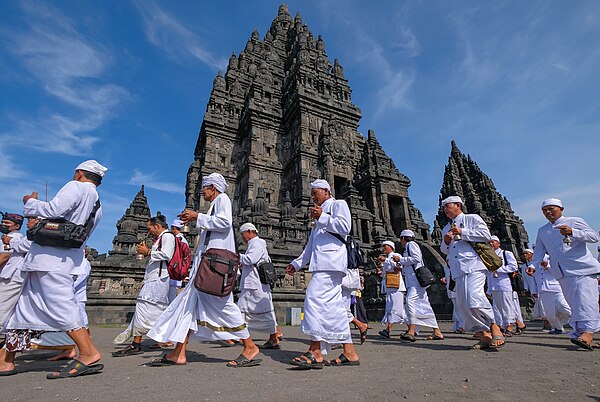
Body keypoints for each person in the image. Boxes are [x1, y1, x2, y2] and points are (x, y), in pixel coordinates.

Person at [0, 160, 107, 378]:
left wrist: (31, 203)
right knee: (23, 310)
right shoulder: (98, 205)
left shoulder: (76, 186)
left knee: (62, 306)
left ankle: (88, 352)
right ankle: (6, 359)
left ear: (79, 173)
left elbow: (53, 209)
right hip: (57, 260)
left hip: (51, 260)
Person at [147, 173, 261, 368]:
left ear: (213, 188)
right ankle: (178, 352)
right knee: (188, 306)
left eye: (205, 188)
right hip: (206, 265)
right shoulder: (214, 205)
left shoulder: (222, 199)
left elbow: (224, 222)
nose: (203, 191)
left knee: (223, 306)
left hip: (214, 267)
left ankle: (250, 346)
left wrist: (198, 216)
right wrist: (197, 218)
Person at [285, 179, 360, 368]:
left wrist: (322, 217)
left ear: (326, 191)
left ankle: (315, 351)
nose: (313, 197)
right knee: (334, 309)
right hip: (322, 264)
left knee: (313, 300)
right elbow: (311, 245)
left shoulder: (338, 205)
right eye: (311, 193)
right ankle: (349, 352)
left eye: (315, 192)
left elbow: (345, 227)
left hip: (332, 263)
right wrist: (297, 264)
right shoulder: (317, 215)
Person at [528, 198, 600, 350]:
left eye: (551, 208)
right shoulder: (543, 230)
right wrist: (533, 266)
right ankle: (581, 333)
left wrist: (574, 232)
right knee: (575, 304)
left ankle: (587, 334)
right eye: (545, 210)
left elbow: (594, 237)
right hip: (562, 273)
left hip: (583, 269)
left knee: (585, 301)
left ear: (561, 208)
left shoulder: (575, 221)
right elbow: (539, 251)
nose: (548, 212)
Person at [439, 195, 505, 349]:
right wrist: (447, 241)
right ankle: (484, 334)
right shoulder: (445, 227)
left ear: (457, 205)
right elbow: (444, 249)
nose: (445, 210)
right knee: (463, 304)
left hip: (474, 265)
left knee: (474, 296)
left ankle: (495, 326)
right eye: (443, 208)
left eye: (447, 207)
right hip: (458, 269)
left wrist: (462, 231)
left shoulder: (472, 218)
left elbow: (485, 235)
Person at [112, 215, 175, 357]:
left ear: (157, 226)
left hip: (158, 279)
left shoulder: (168, 237)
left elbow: (167, 255)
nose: (149, 231)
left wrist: (147, 252)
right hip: (153, 278)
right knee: (150, 309)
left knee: (146, 308)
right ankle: (142, 340)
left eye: (150, 228)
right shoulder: (160, 238)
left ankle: (138, 343)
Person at [237, 222, 280, 349]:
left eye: (243, 234)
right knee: (243, 310)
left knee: (262, 311)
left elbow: (251, 259)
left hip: (255, 284)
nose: (242, 238)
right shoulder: (255, 244)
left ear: (249, 232)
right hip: (252, 284)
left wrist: (236, 256)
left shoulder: (257, 243)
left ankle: (273, 337)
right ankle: (238, 334)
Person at [395, 229, 444, 341]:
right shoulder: (409, 246)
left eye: (401, 239)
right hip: (413, 281)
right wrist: (400, 266)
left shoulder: (411, 244)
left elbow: (416, 258)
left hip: (416, 282)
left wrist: (401, 259)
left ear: (403, 238)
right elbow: (411, 264)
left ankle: (412, 331)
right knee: (424, 305)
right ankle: (437, 331)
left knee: (410, 302)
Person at [531, 256, 571, 334]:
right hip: (543, 291)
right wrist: (534, 291)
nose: (541, 263)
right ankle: (558, 328)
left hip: (557, 289)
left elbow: (561, 272)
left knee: (565, 308)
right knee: (550, 314)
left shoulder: (554, 266)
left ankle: (563, 322)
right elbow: (534, 280)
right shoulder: (535, 268)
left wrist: (547, 266)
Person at [487, 236, 518, 336]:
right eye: (490, 242)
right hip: (493, 284)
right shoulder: (487, 255)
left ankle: (510, 326)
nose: (491, 244)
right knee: (497, 307)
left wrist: (498, 269)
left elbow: (513, 266)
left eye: (493, 242)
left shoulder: (506, 254)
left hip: (504, 283)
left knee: (507, 305)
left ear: (498, 244)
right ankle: (501, 326)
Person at [0, 214, 26, 333]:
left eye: (7, 223)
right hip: (9, 276)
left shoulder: (13, 238)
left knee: (2, 307)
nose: (4, 225)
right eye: (3, 222)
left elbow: (4, 256)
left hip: (10, 278)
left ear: (17, 226)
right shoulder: (9, 237)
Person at [377, 240, 405, 339]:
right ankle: (411, 329)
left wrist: (385, 260)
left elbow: (400, 266)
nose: (383, 248)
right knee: (394, 308)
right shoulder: (387, 258)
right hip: (389, 285)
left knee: (395, 308)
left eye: (385, 246)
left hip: (396, 286)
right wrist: (381, 272)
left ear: (391, 247)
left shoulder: (395, 255)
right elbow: (388, 271)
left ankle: (387, 330)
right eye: (383, 246)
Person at [441, 259, 464, 333]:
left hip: (457, 285)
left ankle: (462, 326)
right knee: (456, 307)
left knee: (459, 307)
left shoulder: (456, 258)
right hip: (451, 286)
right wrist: (445, 278)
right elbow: (448, 273)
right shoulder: (448, 260)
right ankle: (457, 325)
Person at [168, 219, 188, 303]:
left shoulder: (176, 240)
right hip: (179, 271)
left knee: (170, 300)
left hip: (173, 270)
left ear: (173, 228)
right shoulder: (184, 241)